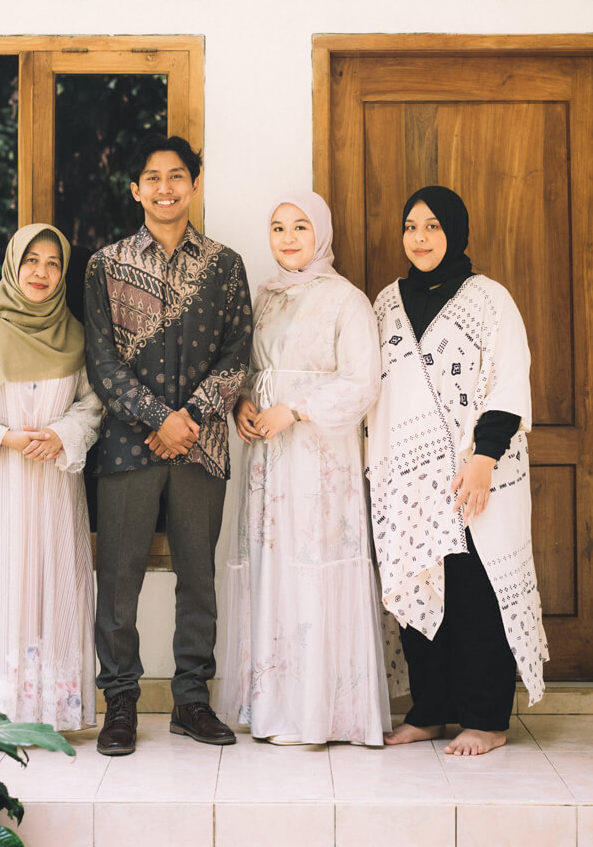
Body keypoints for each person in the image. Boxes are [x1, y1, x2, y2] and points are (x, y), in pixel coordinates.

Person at [84, 134, 252, 756]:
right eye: (152, 178)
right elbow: (101, 362)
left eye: (176, 176)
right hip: (127, 448)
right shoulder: (104, 265)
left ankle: (191, 702)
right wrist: (159, 417)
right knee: (118, 578)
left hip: (202, 448)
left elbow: (238, 355)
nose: (164, 188)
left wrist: (192, 417)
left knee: (198, 577)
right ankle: (121, 703)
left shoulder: (226, 265)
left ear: (194, 185)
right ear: (136, 189)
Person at [367, 186, 548, 757]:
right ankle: (430, 712)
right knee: (420, 587)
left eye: (433, 227)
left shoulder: (489, 299)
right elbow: (373, 390)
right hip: (410, 480)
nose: (419, 238)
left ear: (455, 232)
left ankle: (486, 720)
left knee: (476, 596)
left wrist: (484, 458)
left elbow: (509, 380)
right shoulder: (386, 303)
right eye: (411, 226)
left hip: (476, 474)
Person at [217, 192, 391, 745]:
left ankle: (321, 712)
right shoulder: (266, 298)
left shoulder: (347, 300)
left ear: (321, 233)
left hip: (318, 460)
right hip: (268, 458)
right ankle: (275, 708)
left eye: (300, 227)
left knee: (313, 565)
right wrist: (244, 404)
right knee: (274, 568)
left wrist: (293, 410)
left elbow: (362, 382)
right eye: (278, 228)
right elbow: (251, 370)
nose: (288, 238)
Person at [0, 223, 102, 730]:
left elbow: (93, 406)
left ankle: (50, 712)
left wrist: (61, 434)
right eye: (32, 260)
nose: (41, 272)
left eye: (53, 263)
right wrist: (3, 437)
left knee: (53, 585)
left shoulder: (76, 336)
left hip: (53, 489)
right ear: (13, 265)